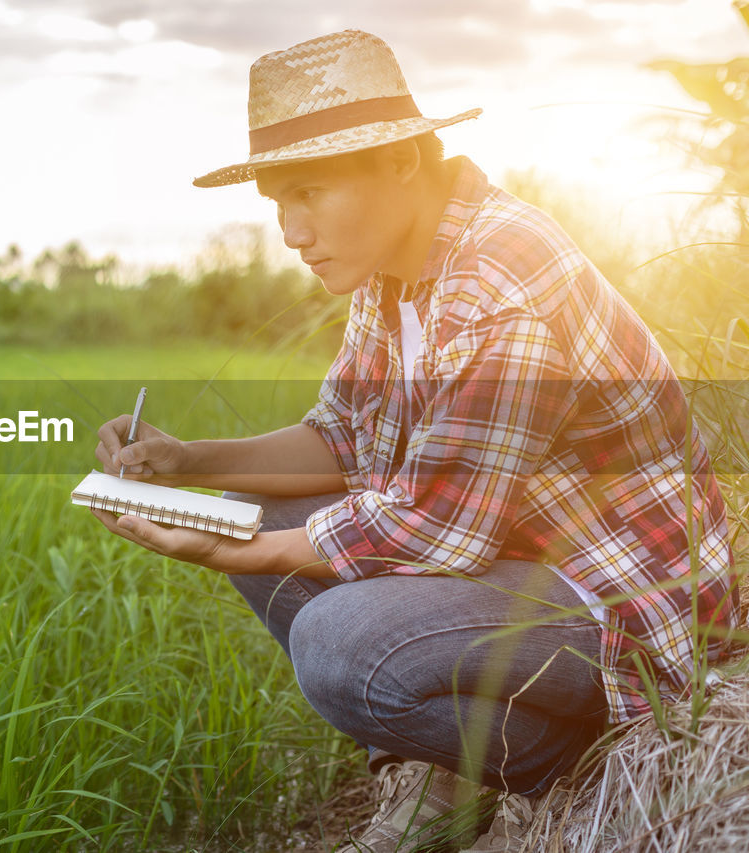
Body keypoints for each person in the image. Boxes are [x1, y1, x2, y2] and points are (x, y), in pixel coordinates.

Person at [88, 30, 740, 852]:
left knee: (335, 641)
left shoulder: (502, 276)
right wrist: (189, 459)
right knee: (249, 499)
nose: (292, 231)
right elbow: (340, 438)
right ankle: (438, 761)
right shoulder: (395, 270)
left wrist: (225, 551)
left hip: (618, 595)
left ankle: (551, 762)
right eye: (277, 202)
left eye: (312, 193)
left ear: (400, 161)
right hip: (517, 557)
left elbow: (439, 526)